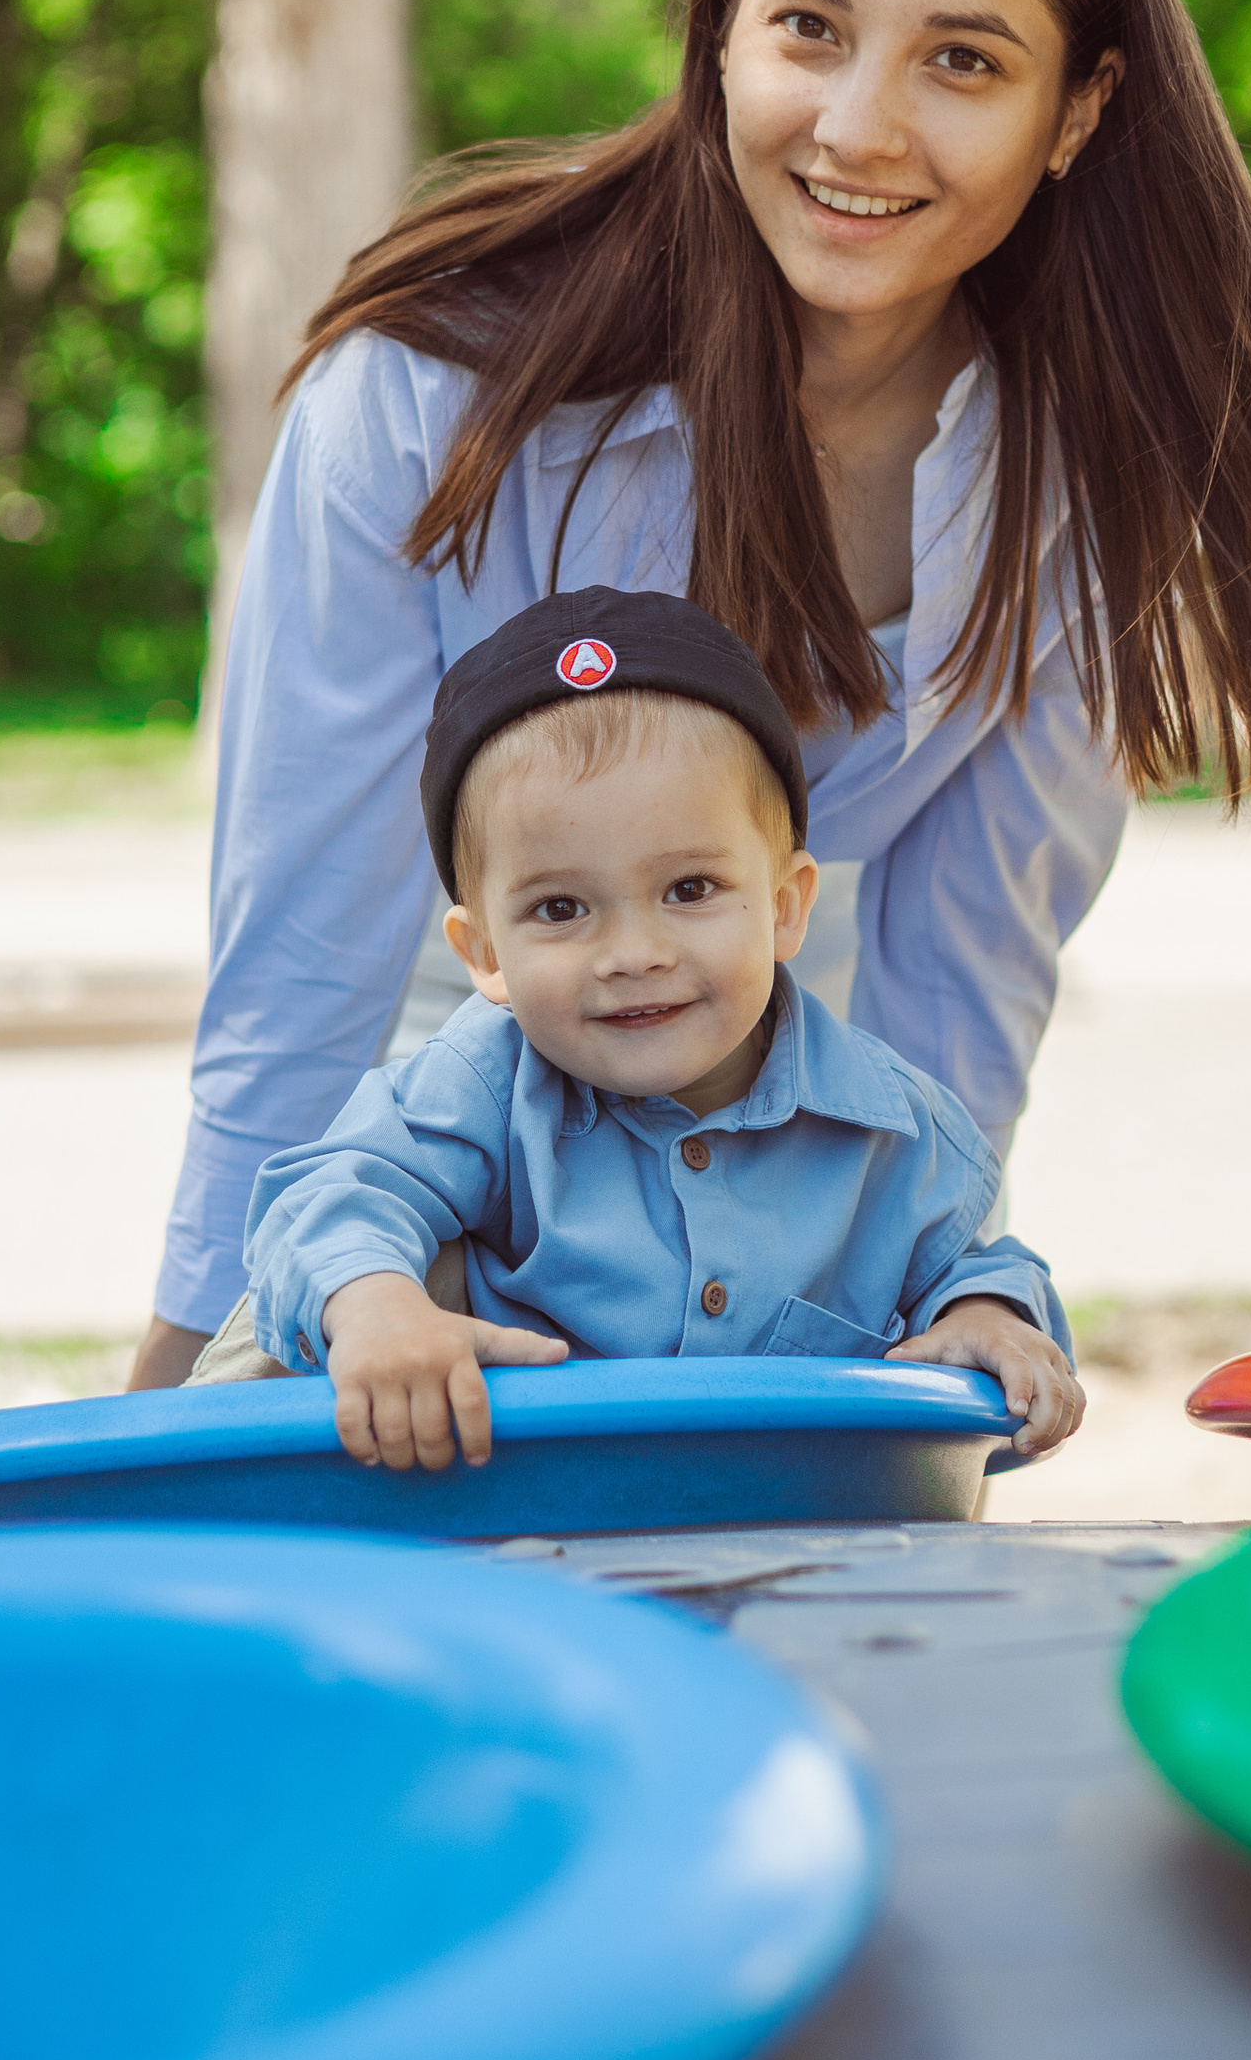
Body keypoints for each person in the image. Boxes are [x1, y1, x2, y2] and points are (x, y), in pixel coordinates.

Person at [132, 0, 1251, 1389]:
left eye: (963, 61)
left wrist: (936, 1345)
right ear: (721, 24)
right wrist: (173, 1401)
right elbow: (304, 977)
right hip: (439, 1086)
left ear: (1076, 110)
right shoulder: (434, 405)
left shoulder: (1078, 487)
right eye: (808, 28)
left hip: (790, 1083)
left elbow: (958, 995)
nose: (858, 130)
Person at [226, 589, 1083, 1474]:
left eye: (690, 890)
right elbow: (328, 1193)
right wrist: (373, 1305)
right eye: (561, 908)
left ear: (786, 908)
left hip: (791, 1544)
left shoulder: (888, 1124)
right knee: (314, 1308)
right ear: (483, 954)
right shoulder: (488, 1083)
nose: (633, 953)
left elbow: (977, 1265)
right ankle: (196, 1536)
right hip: (518, 1533)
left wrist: (987, 1319)